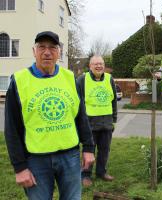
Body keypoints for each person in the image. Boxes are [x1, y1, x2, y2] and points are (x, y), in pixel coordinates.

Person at [4, 31, 95, 200]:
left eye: (52, 47)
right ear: (34, 51)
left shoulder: (70, 78)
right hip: (36, 160)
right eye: (42, 47)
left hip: (70, 157)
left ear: (59, 52)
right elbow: (11, 129)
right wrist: (19, 167)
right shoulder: (19, 81)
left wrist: (89, 148)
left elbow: (81, 116)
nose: (47, 52)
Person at [77, 55, 117, 186]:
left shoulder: (110, 79)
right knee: (89, 151)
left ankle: (101, 172)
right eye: (96, 64)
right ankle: (86, 175)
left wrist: (114, 120)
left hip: (106, 123)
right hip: (89, 124)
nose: (99, 66)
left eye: (101, 64)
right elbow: (77, 102)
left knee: (105, 150)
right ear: (90, 66)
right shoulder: (82, 79)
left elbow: (114, 101)